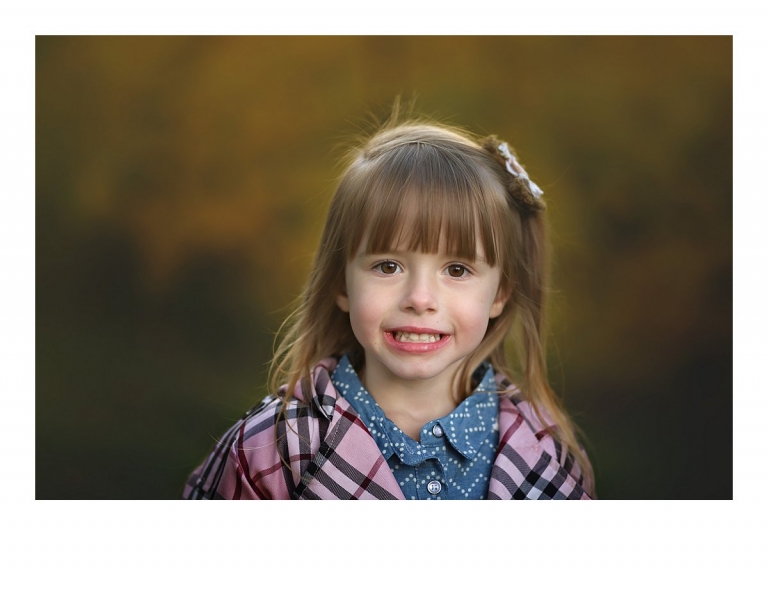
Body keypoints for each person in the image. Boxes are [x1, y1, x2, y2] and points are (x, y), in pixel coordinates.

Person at [183, 111, 594, 500]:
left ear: (500, 294)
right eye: (388, 265)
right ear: (340, 284)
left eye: (456, 269)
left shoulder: (542, 452)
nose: (419, 298)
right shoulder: (271, 450)